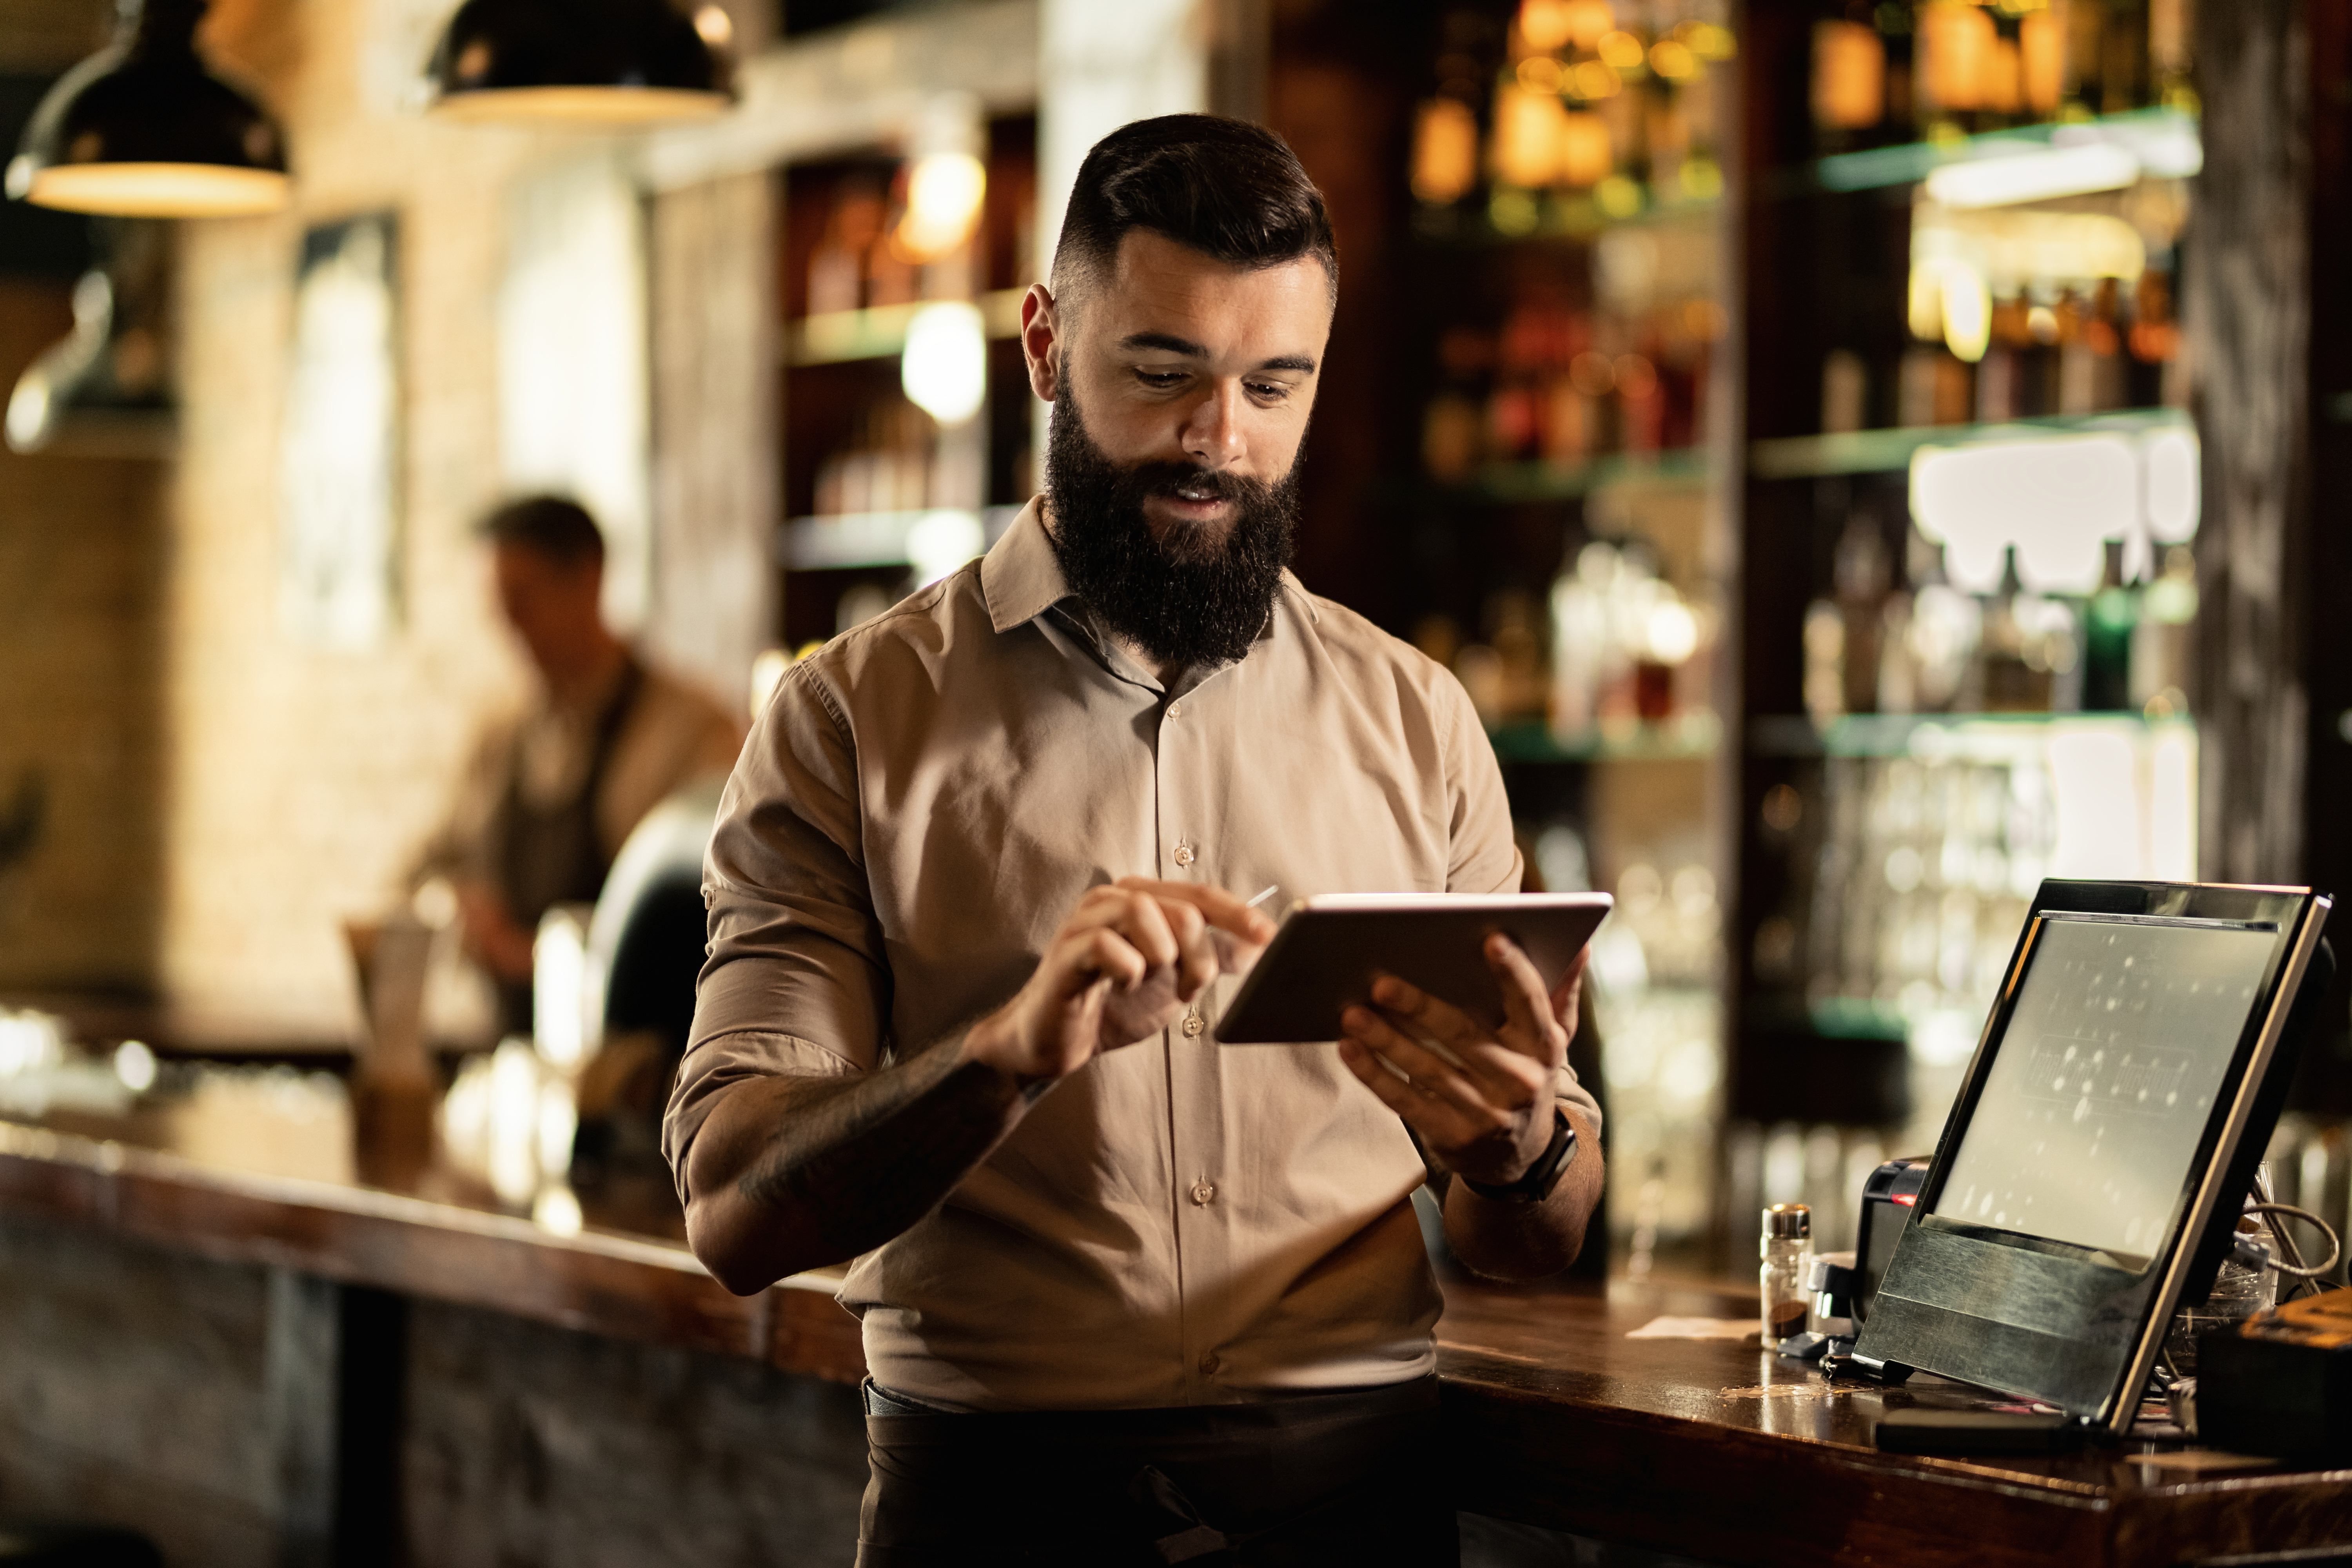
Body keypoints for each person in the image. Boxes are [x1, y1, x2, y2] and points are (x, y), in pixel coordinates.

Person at [666, 116, 1604, 1567]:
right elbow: (731, 1210)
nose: (1218, 442)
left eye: (1272, 385)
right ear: (1045, 343)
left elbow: (1532, 1243)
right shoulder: (845, 721)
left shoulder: (1420, 723)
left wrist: (1519, 1142)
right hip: (993, 1503)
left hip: (1358, 1500)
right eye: (1163, 374)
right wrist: (1005, 1058)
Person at [414, 496, 743, 1033]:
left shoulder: (691, 727)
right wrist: (455, 908)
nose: (508, 624)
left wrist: (548, 960)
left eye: (522, 599)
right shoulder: (499, 733)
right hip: (512, 1053)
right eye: (497, 604)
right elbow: (426, 868)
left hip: (641, 1059)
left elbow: (713, 908)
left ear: (589, 580)